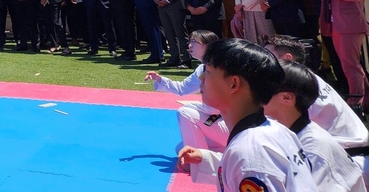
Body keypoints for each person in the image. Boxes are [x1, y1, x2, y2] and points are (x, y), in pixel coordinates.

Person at [177, 38, 315, 190]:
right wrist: (205, 158)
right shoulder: (277, 131)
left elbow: (251, 164)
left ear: (233, 84)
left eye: (208, 71)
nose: (201, 78)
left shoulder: (250, 155)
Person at [264, 61, 366, 192]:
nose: (255, 95)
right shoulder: (293, 133)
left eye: (263, 90)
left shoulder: (313, 149)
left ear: (286, 98)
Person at [264, 35, 369, 149]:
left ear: (288, 58)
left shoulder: (297, 87)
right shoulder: (310, 79)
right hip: (348, 147)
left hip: (345, 152)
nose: (264, 63)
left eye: (269, 57)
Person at [146, 30, 227, 152]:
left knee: (185, 112)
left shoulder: (220, 69)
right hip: (216, 121)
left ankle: (199, 161)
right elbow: (182, 88)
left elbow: (215, 108)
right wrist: (159, 79)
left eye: (194, 41)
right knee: (180, 148)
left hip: (227, 124)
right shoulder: (201, 68)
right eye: (190, 41)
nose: (189, 45)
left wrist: (196, 107)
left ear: (208, 45)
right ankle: (220, 152)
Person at [311, 0, 367, 113]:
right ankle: (363, 99)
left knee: (350, 65)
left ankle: (355, 101)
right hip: (335, 24)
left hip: (349, 25)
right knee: (348, 64)